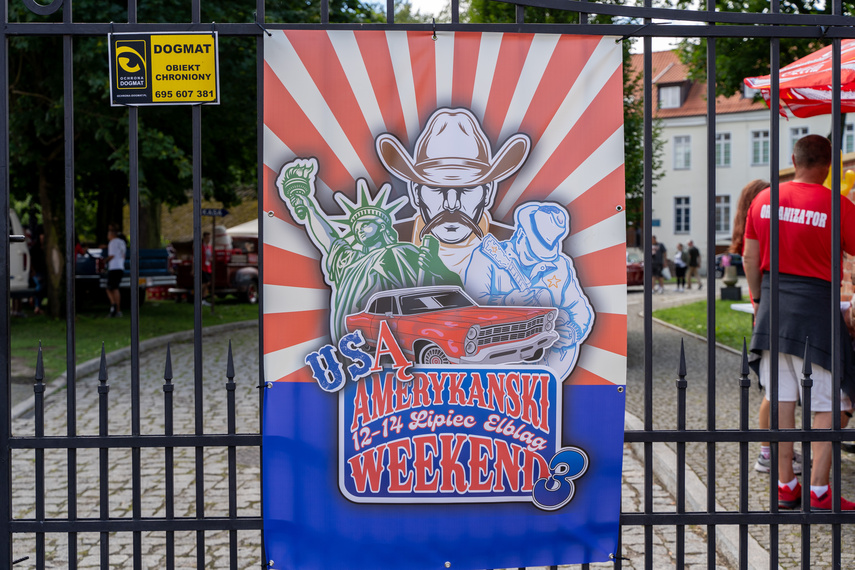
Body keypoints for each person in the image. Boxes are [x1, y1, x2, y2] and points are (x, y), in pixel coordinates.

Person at [744, 135, 855, 510]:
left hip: (774, 308)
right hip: (817, 312)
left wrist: (759, 301)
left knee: (780, 400)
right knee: (830, 404)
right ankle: (820, 492)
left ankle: (785, 486)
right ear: (828, 166)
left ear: (794, 159)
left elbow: (749, 257)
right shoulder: (837, 205)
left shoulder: (763, 199)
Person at [277, 157, 455, 340]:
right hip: (349, 339)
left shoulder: (401, 253)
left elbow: (448, 290)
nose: (360, 230)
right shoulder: (348, 260)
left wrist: (436, 268)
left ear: (383, 228)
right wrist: (306, 201)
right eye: (357, 227)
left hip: (392, 339)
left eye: (367, 224)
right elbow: (327, 237)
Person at [376, 107, 530, 278]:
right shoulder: (383, 247)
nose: (451, 204)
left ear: (488, 193)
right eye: (436, 188)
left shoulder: (520, 250)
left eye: (467, 188)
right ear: (415, 193)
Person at [463, 201, 594, 379]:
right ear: (521, 233)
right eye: (534, 250)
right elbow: (467, 309)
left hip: (551, 365)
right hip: (499, 363)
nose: (537, 259)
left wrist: (574, 332)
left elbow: (579, 307)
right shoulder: (487, 258)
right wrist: (507, 302)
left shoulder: (560, 265)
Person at [105, 225, 126, 318]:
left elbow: (112, 255)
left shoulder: (112, 243)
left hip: (114, 267)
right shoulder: (122, 242)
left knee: (110, 288)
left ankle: (114, 306)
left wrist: (104, 261)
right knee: (115, 287)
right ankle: (117, 309)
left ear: (111, 235)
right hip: (120, 266)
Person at [201, 232, 213, 307]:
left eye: (209, 238)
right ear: (204, 238)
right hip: (202, 267)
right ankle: (199, 298)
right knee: (203, 284)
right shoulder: (201, 247)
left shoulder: (210, 247)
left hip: (208, 267)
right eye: (207, 238)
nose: (208, 239)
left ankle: (204, 299)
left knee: (207, 284)